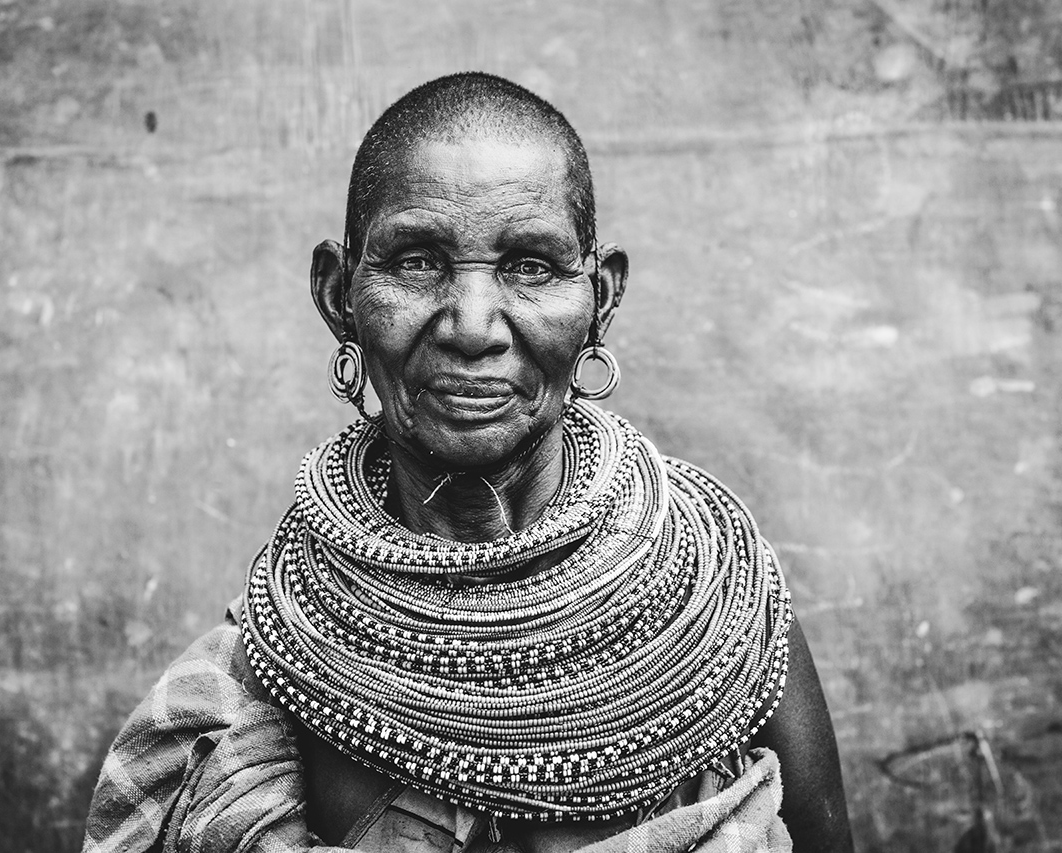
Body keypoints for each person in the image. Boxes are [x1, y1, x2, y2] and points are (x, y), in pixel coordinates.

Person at [83, 72, 853, 853]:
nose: (474, 326)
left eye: (530, 265)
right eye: (417, 261)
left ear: (602, 297)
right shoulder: (267, 676)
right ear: (338, 294)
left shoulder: (719, 609)